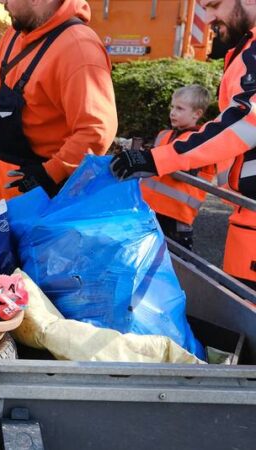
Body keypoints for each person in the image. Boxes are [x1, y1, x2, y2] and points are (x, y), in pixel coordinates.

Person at [110, 0, 256, 290]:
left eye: (214, 4)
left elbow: (245, 121)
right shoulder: (247, 49)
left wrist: (156, 160)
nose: (209, 17)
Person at [0, 0, 117, 205]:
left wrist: (49, 174)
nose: (1, 2)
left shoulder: (79, 49)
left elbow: (95, 130)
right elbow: (2, 96)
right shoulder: (14, 33)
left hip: (40, 200)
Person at [140, 85, 216, 251]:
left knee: (178, 263)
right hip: (149, 209)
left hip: (177, 216)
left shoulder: (200, 142)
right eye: (172, 107)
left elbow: (180, 170)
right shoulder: (164, 135)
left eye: (180, 108)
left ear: (197, 114)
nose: (173, 112)